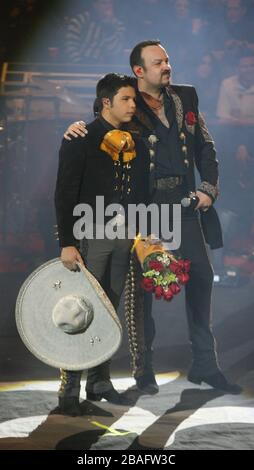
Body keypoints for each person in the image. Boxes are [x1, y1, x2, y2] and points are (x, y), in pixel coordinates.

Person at [64, 40, 242, 395]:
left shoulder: (185, 97)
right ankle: (143, 371)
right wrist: (75, 129)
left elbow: (206, 145)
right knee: (141, 292)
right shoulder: (127, 101)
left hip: (185, 204)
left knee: (202, 278)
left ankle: (205, 364)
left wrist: (208, 188)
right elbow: (99, 124)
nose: (166, 66)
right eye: (158, 62)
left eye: (167, 60)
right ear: (139, 70)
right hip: (144, 209)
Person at [55, 73, 150, 415]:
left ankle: (99, 381)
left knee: (108, 309)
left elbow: (137, 192)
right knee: (81, 309)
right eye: (126, 99)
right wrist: (67, 242)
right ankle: (70, 387)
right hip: (90, 234)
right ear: (106, 102)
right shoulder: (81, 138)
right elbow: (65, 192)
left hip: (123, 235)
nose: (132, 105)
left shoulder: (133, 140)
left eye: (134, 99)